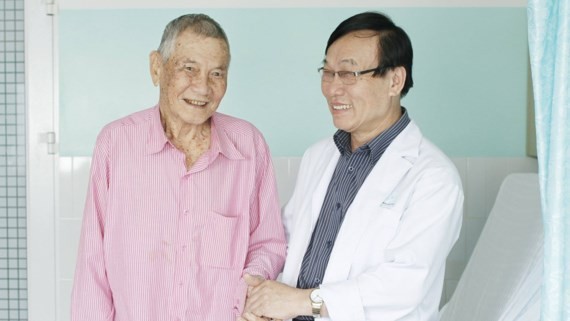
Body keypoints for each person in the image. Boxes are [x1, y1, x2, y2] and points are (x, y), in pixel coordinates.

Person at [240, 11, 464, 321]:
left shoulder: (434, 177)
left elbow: (404, 284)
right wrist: (262, 295)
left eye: (348, 74)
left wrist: (304, 302)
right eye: (327, 72)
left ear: (394, 80)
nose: (333, 88)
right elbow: (287, 242)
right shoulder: (318, 156)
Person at [70, 13, 287, 321]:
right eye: (189, 69)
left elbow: (267, 243)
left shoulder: (248, 144)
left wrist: (251, 287)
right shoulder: (117, 142)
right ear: (157, 67)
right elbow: (92, 260)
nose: (203, 87)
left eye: (217, 74)